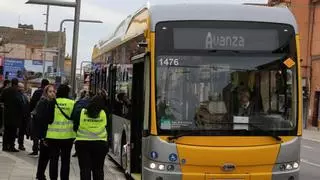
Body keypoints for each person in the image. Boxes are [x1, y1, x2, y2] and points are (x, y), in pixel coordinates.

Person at [74, 95, 108, 180]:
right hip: (100, 144)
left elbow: (75, 125)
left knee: (85, 169)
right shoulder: (104, 112)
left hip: (82, 143)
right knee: (98, 169)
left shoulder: (82, 112)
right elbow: (108, 127)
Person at [47, 84, 75, 180]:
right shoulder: (72, 103)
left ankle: (53, 178)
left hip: (52, 136)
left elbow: (47, 119)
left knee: (53, 159)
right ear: (68, 92)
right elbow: (75, 118)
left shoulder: (52, 102)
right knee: (65, 160)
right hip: (68, 136)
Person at [34, 85, 56, 180]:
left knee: (45, 156)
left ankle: (40, 174)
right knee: (44, 156)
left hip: (48, 133)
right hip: (44, 134)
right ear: (46, 93)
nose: (52, 93)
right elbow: (41, 119)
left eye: (53, 91)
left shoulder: (50, 102)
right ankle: (40, 175)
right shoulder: (44, 102)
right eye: (50, 91)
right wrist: (43, 136)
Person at [1, 78, 23, 152]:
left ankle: (4, 146)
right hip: (15, 115)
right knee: (13, 132)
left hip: (7, 114)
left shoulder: (5, 90)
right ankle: (11, 146)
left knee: (6, 131)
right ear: (16, 84)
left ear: (11, 83)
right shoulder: (17, 92)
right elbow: (20, 104)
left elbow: (1, 100)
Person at [29, 79, 50, 156]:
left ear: (41, 84)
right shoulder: (49, 94)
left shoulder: (37, 92)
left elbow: (32, 103)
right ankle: (43, 149)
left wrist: (31, 112)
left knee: (35, 133)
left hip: (36, 116)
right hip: (45, 117)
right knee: (44, 133)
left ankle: (35, 150)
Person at [70, 89, 91, 157]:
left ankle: (78, 152)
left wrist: (75, 126)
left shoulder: (78, 102)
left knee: (78, 138)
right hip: (88, 125)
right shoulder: (91, 103)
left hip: (79, 125)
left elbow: (74, 115)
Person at [17, 82, 30, 151]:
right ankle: (12, 143)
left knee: (22, 131)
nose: (22, 89)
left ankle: (21, 144)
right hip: (18, 115)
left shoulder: (24, 96)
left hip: (24, 116)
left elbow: (27, 104)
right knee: (16, 131)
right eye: (20, 87)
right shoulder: (16, 95)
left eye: (22, 87)